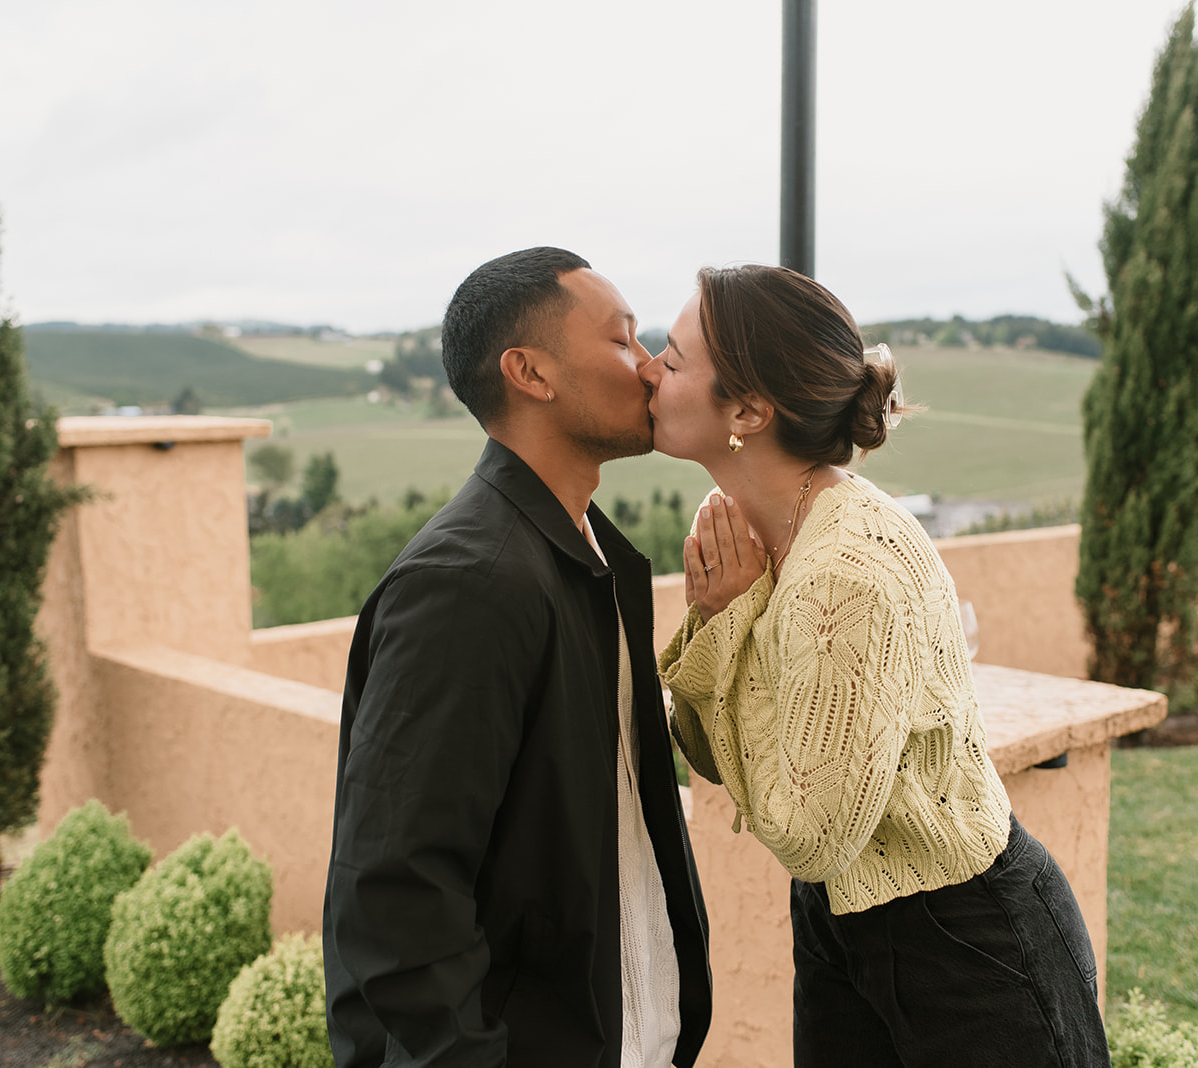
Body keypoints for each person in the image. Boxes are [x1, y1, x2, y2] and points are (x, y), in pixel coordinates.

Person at [642, 264, 1109, 1067]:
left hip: (967, 939)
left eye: (674, 359)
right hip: (843, 920)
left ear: (748, 411)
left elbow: (811, 833)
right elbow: (718, 757)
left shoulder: (846, 571)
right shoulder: (759, 538)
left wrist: (732, 616)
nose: (650, 368)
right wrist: (721, 617)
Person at [324, 247, 712, 1067]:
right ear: (530, 372)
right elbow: (396, 891)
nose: (649, 370)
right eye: (621, 341)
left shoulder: (594, 558)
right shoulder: (467, 583)